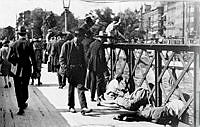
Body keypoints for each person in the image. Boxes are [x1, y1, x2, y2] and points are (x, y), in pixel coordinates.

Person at [59, 28, 92, 114]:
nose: (82, 39)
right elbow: (61, 59)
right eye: (81, 37)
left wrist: (85, 69)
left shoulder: (81, 46)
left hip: (79, 70)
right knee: (71, 88)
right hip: (70, 70)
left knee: (80, 87)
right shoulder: (67, 45)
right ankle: (71, 106)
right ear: (77, 36)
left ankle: (84, 107)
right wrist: (65, 68)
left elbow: (82, 59)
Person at [7, 26, 38, 115]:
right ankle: (23, 101)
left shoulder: (13, 44)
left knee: (17, 88)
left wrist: (15, 62)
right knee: (25, 86)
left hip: (17, 69)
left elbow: (8, 58)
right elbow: (33, 58)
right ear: (25, 34)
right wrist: (35, 70)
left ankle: (20, 106)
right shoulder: (29, 44)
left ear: (18, 34)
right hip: (27, 69)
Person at [87, 32, 109, 106]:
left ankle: (92, 96)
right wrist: (105, 69)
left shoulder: (92, 44)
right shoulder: (100, 45)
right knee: (99, 81)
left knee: (93, 80)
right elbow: (102, 57)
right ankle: (98, 97)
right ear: (101, 38)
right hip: (98, 65)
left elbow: (88, 55)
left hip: (91, 64)